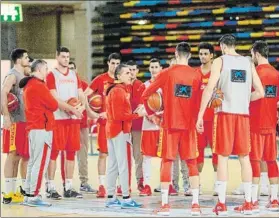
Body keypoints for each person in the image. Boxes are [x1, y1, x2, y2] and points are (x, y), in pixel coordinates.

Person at [196, 34, 265, 215]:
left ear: (222, 46)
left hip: (224, 114)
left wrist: (200, 115)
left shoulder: (220, 61)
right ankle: (249, 203)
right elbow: (261, 92)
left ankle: (221, 203)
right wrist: (243, 99)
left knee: (223, 158)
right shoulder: (248, 62)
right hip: (243, 115)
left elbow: (210, 88)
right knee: (244, 158)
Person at [139, 42, 202, 216]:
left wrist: (153, 113)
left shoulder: (166, 73)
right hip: (189, 125)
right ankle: (195, 205)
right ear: (190, 56)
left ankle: (165, 205)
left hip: (170, 125)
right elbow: (199, 103)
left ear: (175, 54)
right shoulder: (196, 76)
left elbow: (145, 95)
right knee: (191, 163)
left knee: (167, 162)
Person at [45, 47, 84, 199]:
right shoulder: (51, 75)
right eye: (63, 56)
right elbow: (54, 99)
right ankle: (50, 187)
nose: (66, 59)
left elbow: (81, 94)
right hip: (58, 118)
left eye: (68, 57)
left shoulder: (74, 74)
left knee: (71, 152)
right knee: (54, 152)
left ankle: (68, 186)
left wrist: (80, 105)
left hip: (73, 120)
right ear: (57, 57)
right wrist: (71, 109)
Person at [19, 59, 58, 206]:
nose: (47, 72)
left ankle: (29, 194)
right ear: (40, 69)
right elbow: (54, 105)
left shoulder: (29, 85)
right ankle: (34, 195)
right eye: (46, 69)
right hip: (42, 128)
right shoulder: (39, 86)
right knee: (40, 163)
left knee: (33, 163)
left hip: (34, 129)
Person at [105, 64, 142, 208]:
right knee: (124, 164)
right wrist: (138, 114)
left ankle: (111, 197)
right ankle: (126, 198)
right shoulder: (119, 91)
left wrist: (134, 112)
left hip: (112, 130)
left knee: (113, 165)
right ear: (118, 76)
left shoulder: (113, 89)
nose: (130, 75)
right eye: (127, 73)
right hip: (120, 132)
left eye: (131, 72)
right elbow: (120, 115)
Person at [249, 41, 279, 211]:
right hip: (270, 124)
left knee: (254, 161)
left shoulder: (254, 73)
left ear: (257, 54)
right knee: (272, 161)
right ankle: (274, 199)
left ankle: (253, 199)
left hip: (254, 124)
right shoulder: (276, 74)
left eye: (252, 54)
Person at [88, 53, 121, 198]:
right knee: (103, 154)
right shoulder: (100, 79)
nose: (115, 66)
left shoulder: (123, 80)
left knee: (120, 156)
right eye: (112, 63)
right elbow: (84, 95)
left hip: (119, 123)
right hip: (104, 124)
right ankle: (102, 186)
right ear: (108, 63)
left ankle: (119, 185)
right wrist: (92, 113)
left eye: (117, 63)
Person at [1, 48, 30, 204]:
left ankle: (15, 192)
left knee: (20, 156)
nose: (28, 59)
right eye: (26, 57)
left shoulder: (24, 75)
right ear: (19, 60)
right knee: (12, 156)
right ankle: (7, 192)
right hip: (15, 121)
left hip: (24, 122)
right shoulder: (13, 74)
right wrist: (6, 116)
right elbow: (3, 92)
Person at [68, 61, 98, 193]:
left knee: (83, 153)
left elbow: (90, 106)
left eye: (73, 68)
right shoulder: (60, 86)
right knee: (65, 153)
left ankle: (84, 182)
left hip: (82, 124)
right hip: (67, 123)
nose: (71, 71)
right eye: (68, 69)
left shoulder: (84, 85)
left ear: (76, 69)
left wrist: (96, 114)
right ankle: (64, 183)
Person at [138, 58, 164, 196]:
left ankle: (166, 184)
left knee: (165, 156)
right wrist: (151, 116)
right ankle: (147, 185)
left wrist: (159, 115)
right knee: (147, 157)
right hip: (148, 127)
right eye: (151, 67)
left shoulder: (165, 84)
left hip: (162, 126)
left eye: (156, 66)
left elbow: (169, 105)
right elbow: (141, 107)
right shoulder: (144, 85)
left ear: (161, 68)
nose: (154, 69)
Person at [195, 42, 218, 196]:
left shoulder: (217, 74)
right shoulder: (195, 73)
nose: (203, 56)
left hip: (215, 119)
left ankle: (218, 184)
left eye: (205, 54)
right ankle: (197, 185)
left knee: (217, 152)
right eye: (201, 53)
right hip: (199, 120)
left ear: (211, 55)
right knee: (198, 153)